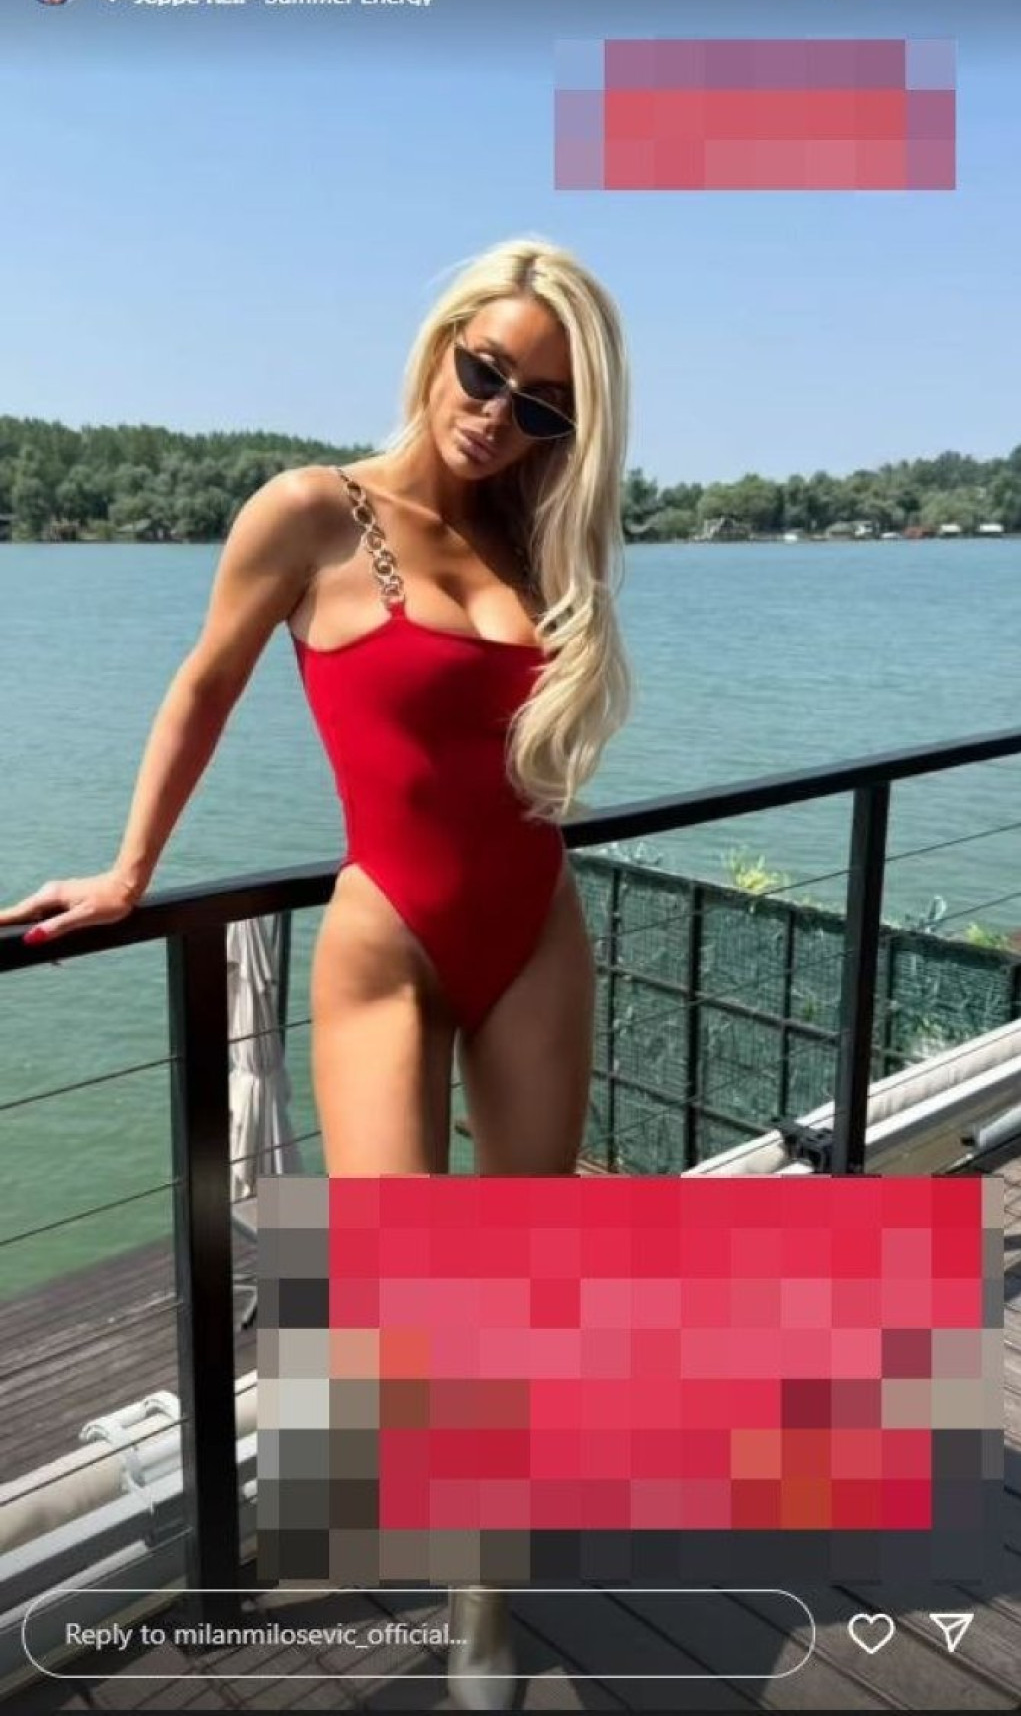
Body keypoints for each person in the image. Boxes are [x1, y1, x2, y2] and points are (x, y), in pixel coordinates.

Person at [0, 235, 632, 1708]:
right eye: (487, 371)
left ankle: (484, 1601)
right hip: (386, 937)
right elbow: (205, 682)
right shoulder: (310, 513)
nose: (500, 414)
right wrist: (131, 872)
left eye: (543, 405)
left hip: (538, 929)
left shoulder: (539, 536)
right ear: (440, 344)